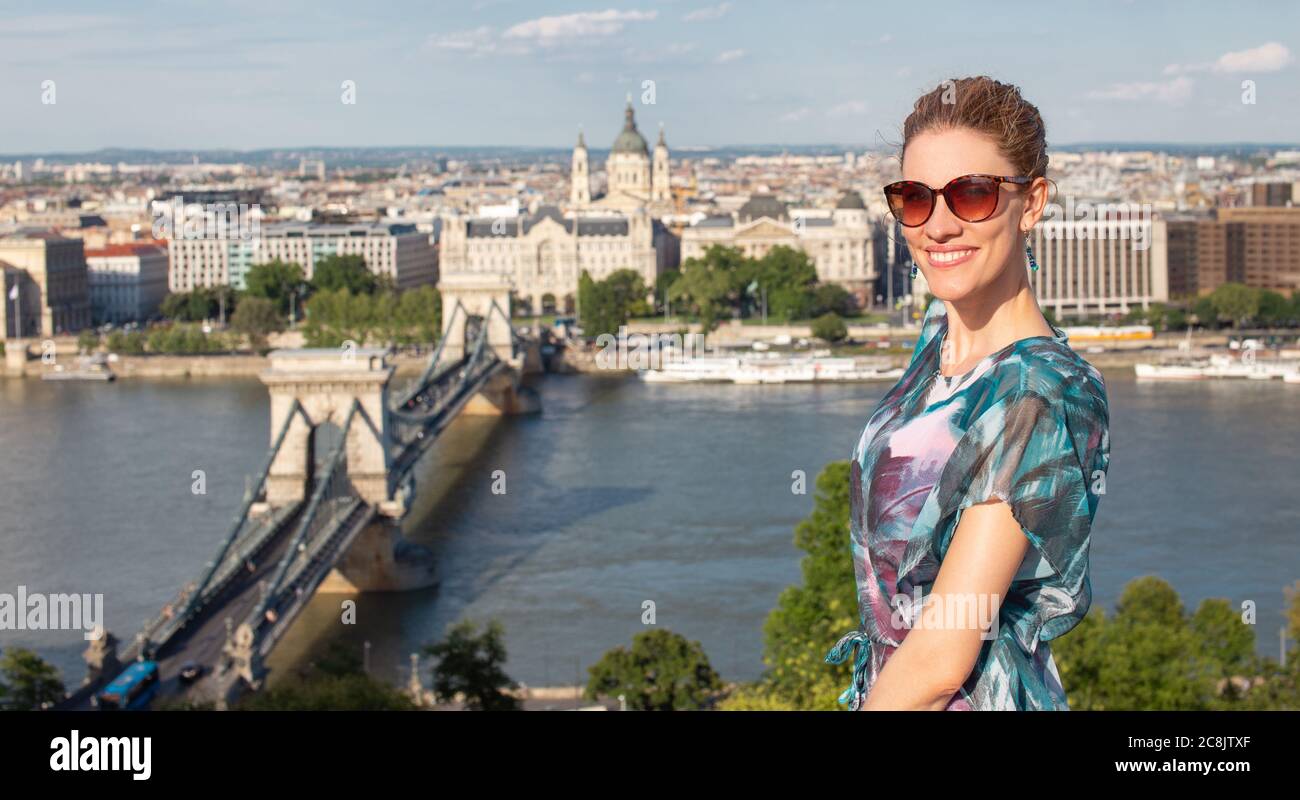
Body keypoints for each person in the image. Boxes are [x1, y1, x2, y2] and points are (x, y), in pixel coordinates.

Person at [824, 76, 1110, 710]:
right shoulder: (941, 340)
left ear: (1032, 202)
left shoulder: (1039, 392)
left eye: (973, 195)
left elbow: (940, 661)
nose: (940, 226)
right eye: (915, 198)